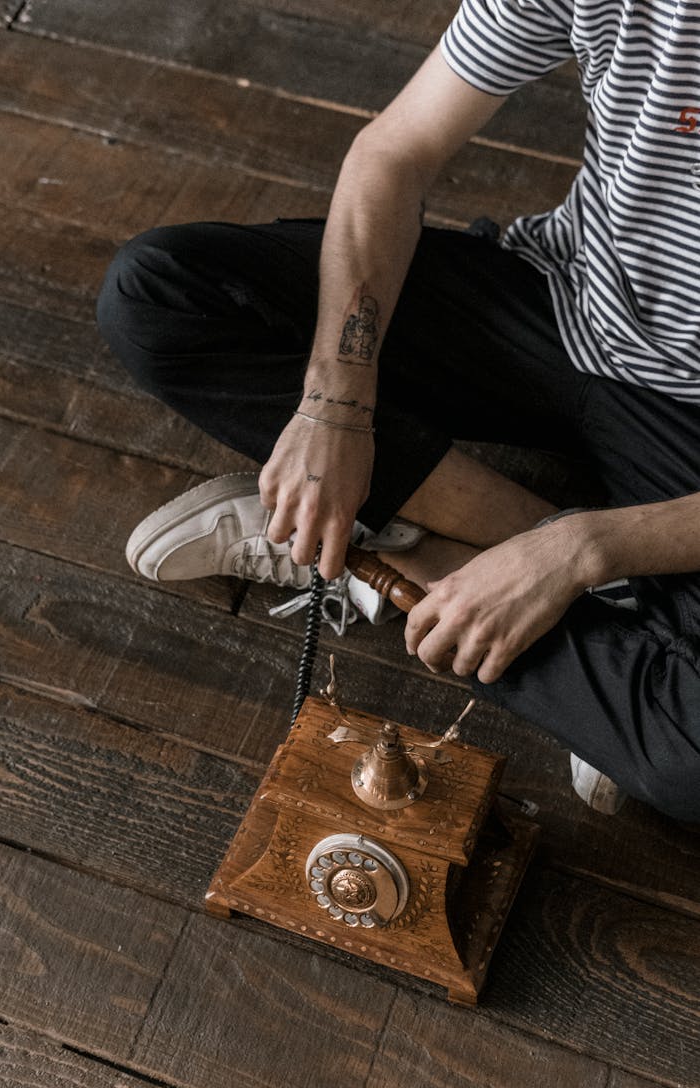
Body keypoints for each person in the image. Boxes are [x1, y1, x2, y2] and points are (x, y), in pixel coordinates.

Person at [96, 0, 700, 823]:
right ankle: (595, 632)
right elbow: (395, 150)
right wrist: (335, 407)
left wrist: (581, 550)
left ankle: (389, 559)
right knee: (156, 293)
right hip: (558, 301)